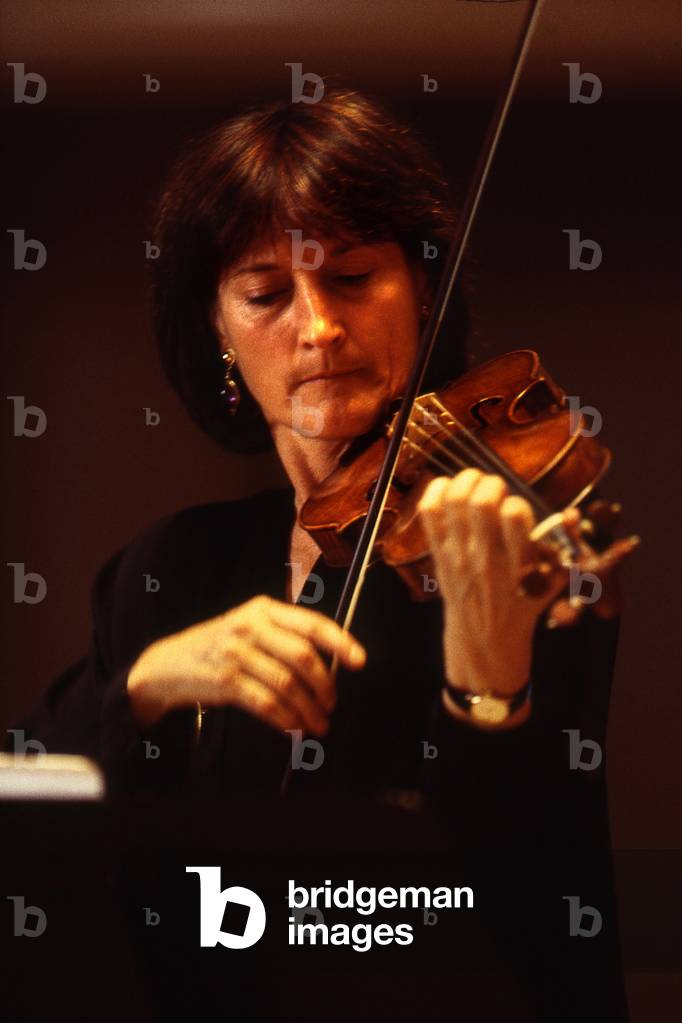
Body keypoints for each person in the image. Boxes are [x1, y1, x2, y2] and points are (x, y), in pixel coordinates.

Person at [6, 89, 630, 1020]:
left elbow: (516, 896)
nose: (320, 327)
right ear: (218, 329)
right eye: (266, 295)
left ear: (423, 289)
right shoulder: (170, 569)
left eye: (353, 276)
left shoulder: (507, 540)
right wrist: (147, 684)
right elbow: (32, 798)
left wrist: (486, 670)